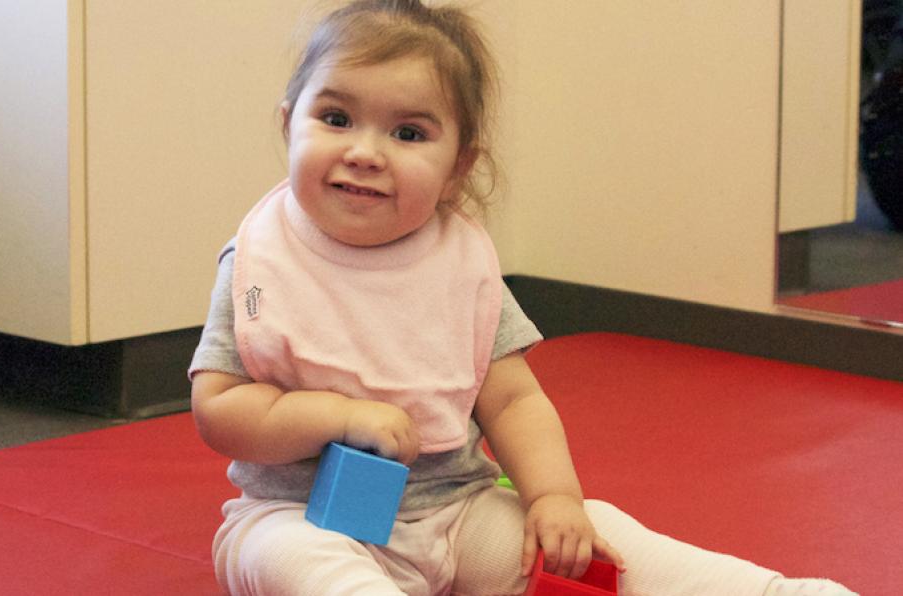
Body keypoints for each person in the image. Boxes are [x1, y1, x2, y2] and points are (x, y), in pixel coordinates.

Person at [189, 1, 858, 594]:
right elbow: (219, 411)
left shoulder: (458, 265)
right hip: (299, 518)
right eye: (336, 118)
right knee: (304, 567)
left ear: (459, 167)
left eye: (409, 133)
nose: (365, 151)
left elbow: (512, 399)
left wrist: (555, 497)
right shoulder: (262, 262)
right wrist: (333, 415)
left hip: (457, 511)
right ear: (288, 125)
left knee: (600, 538)